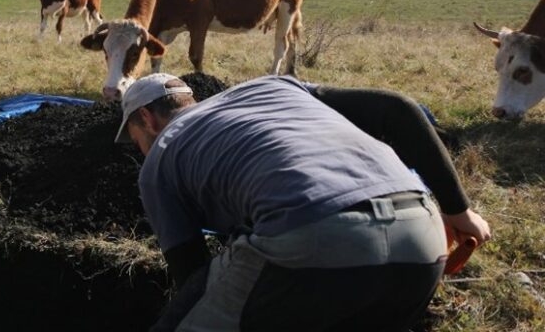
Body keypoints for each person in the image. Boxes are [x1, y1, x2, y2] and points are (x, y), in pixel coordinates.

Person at [115, 73, 491, 332]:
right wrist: (459, 210)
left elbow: (192, 275)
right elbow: (398, 109)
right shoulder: (272, 87)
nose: (141, 151)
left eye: (136, 141)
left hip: (315, 238)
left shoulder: (159, 159)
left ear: (147, 118)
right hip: (422, 236)